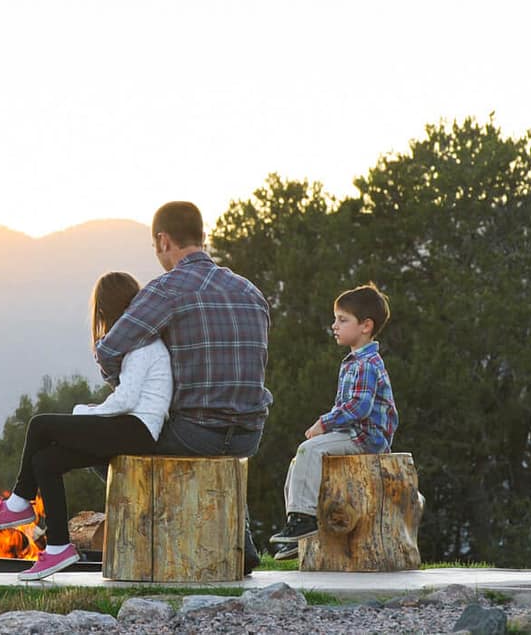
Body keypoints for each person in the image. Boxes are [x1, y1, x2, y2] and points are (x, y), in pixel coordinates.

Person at [94, 201, 272, 572]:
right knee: (219, 447)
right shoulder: (250, 291)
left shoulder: (167, 289)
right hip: (248, 435)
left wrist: (127, 391)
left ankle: (158, 535)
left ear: (162, 240)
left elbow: (109, 348)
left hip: (193, 433)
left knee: (91, 442)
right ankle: (242, 542)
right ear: (202, 236)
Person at [0, 272, 172, 581]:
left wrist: (84, 413)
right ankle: (57, 547)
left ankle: (19, 503)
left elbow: (128, 399)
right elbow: (126, 399)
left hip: (137, 430)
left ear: (105, 310)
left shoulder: (142, 344)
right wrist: (92, 412)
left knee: (40, 425)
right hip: (130, 428)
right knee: (46, 462)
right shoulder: (140, 341)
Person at [271, 282, 398, 561]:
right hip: (352, 433)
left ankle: (304, 521)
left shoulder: (366, 364)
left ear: (365, 326)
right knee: (300, 459)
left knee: (308, 451)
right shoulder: (353, 361)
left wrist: (323, 424)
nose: (334, 326)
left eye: (342, 320)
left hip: (365, 438)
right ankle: (297, 520)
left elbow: (358, 407)